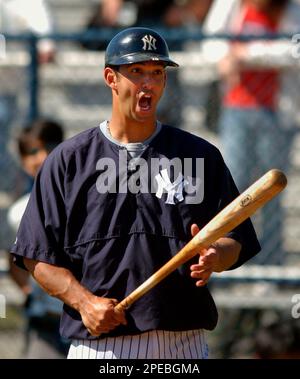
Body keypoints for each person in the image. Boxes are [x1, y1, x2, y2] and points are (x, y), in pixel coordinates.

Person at [11, 27, 260, 359]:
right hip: (101, 346)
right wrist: (84, 303)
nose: (149, 83)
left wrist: (217, 255)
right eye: (137, 71)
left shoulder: (199, 155)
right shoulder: (69, 160)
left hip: (183, 344)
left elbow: (235, 236)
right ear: (110, 78)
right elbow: (37, 255)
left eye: (157, 72)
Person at [201, 0, 300, 264]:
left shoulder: (291, 9)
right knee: (234, 189)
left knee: (271, 193)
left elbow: (293, 51)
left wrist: (244, 55)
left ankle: (270, 267)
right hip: (236, 108)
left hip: (276, 113)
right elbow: (211, 44)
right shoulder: (232, 4)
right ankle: (233, 260)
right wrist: (226, 57)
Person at [8, 119, 69, 359]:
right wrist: (30, 293)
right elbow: (14, 260)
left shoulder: (87, 202)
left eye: (51, 146)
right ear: (24, 162)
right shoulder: (18, 212)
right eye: (33, 151)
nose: (43, 156)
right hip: (46, 324)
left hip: (90, 319)